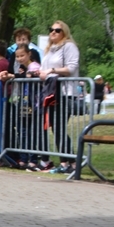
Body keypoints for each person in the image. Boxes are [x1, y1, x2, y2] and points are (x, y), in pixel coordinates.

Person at [36, 20, 82, 174]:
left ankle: (70, 163)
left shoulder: (69, 46)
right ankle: (67, 162)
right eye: (51, 29)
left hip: (65, 92)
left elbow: (71, 68)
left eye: (57, 30)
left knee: (58, 127)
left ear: (64, 32)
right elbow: (44, 69)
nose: (53, 32)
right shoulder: (49, 49)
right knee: (56, 128)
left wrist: (51, 71)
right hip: (52, 93)